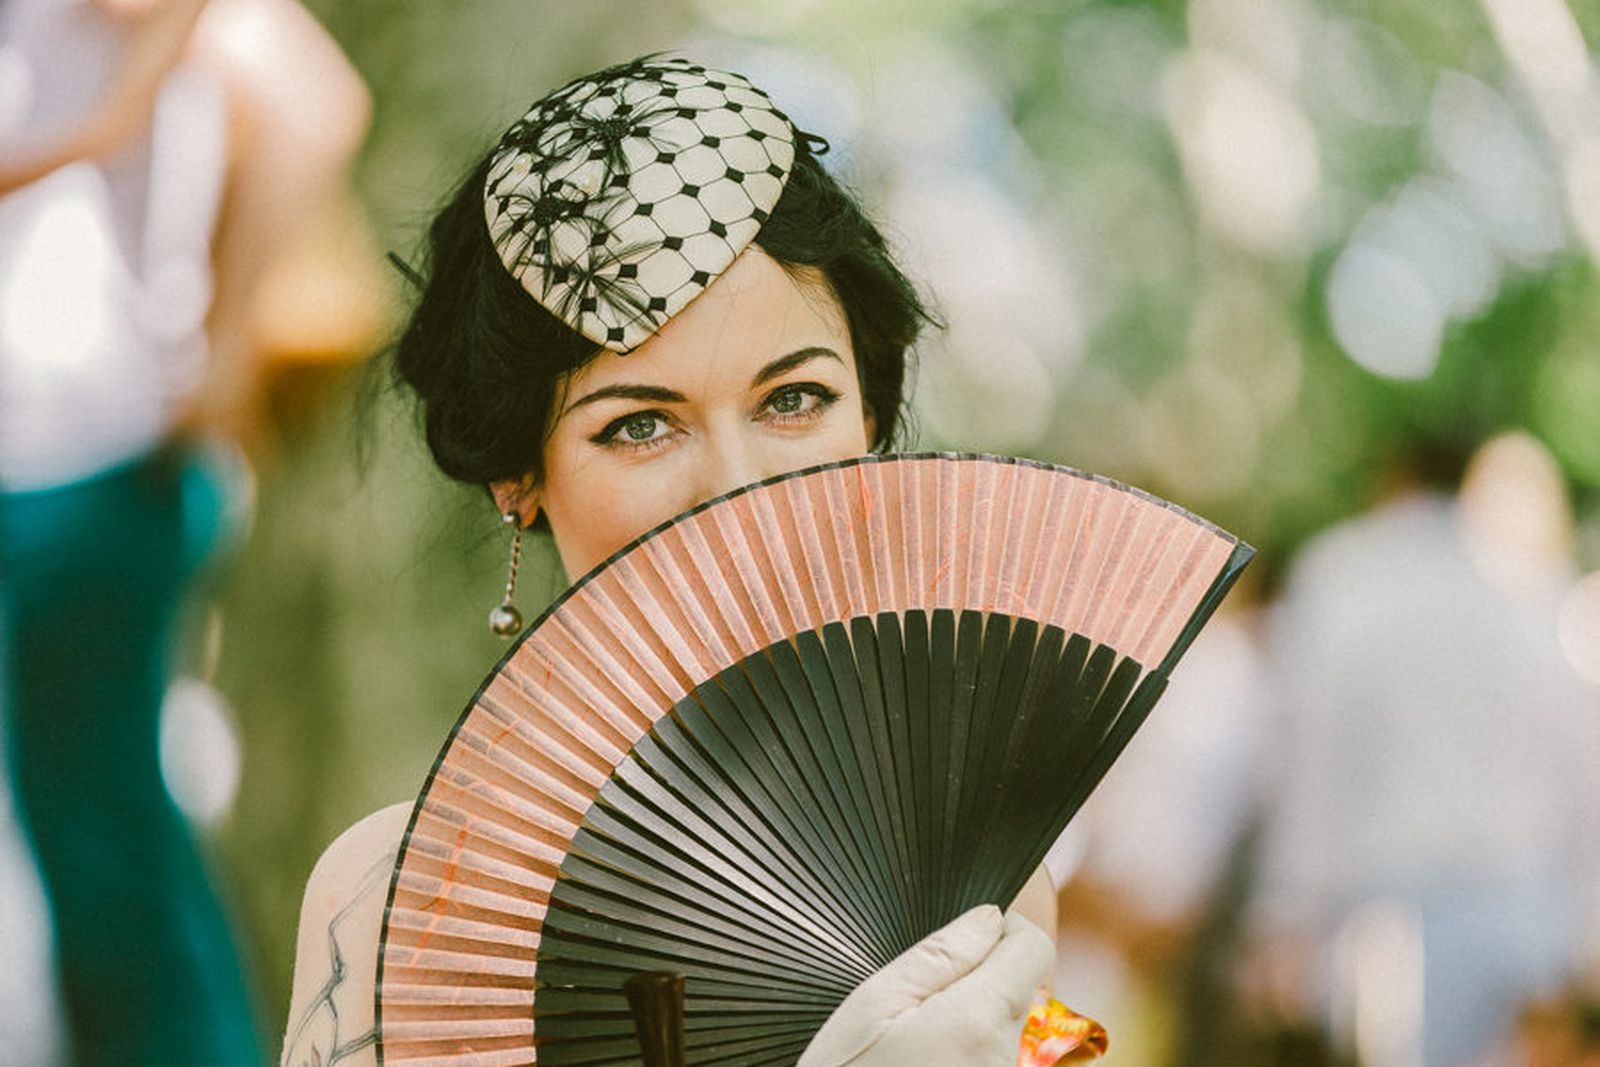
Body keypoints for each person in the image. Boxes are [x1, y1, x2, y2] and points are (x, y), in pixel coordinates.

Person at [281, 55, 1071, 1067]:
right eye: (641, 424)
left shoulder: (979, 859)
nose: (738, 489)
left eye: (793, 400)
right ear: (518, 475)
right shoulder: (401, 898)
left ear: (867, 420)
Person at [0, 0, 369, 1062]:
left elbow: (314, 107)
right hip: (82, 464)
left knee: (105, 845)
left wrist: (225, 346)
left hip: (88, 467)